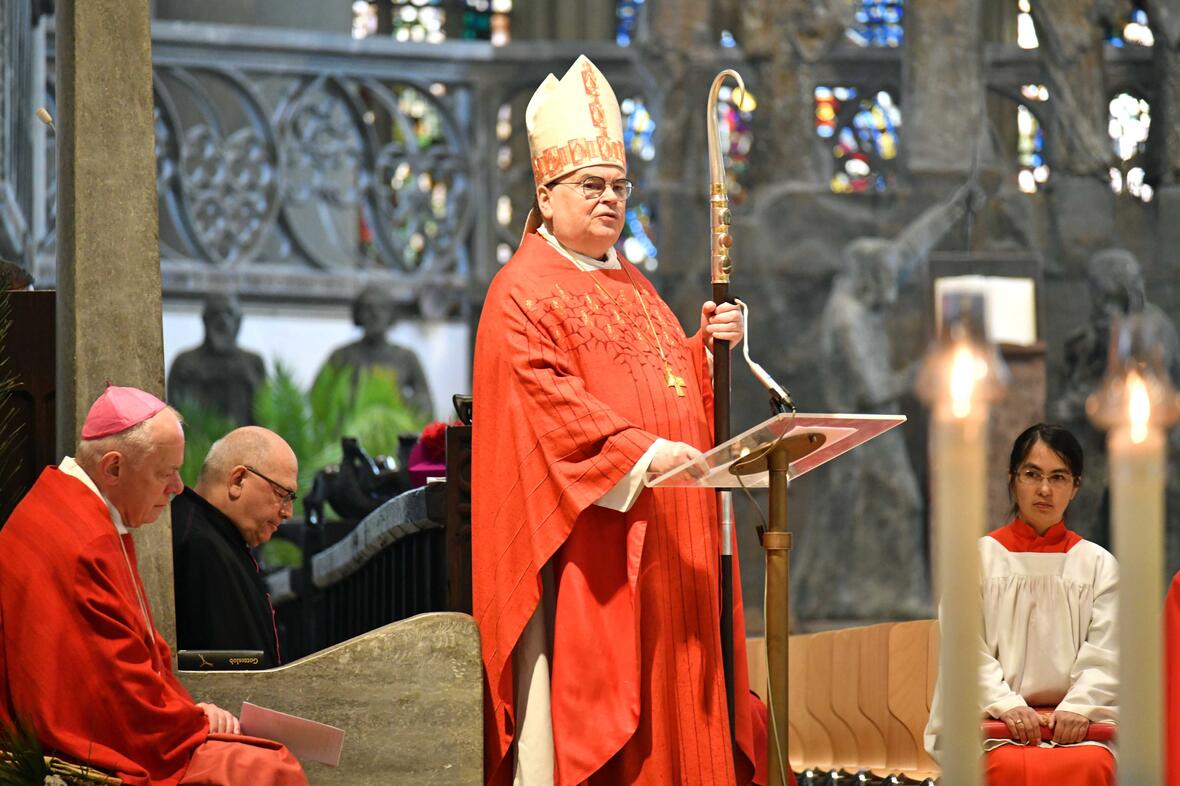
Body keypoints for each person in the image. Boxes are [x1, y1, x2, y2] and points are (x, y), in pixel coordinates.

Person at [472, 55, 757, 786]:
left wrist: (706, 353)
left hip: (679, 540)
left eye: (619, 186)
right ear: (546, 191)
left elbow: (672, 397)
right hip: (602, 553)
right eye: (591, 185)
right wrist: (648, 456)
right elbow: (553, 415)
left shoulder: (635, 284)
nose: (609, 200)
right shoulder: (521, 293)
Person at [0, 385, 307, 786]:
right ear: (113, 468)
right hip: (85, 747)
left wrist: (189, 712)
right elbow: (114, 694)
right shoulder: (83, 542)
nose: (178, 487)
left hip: (120, 723)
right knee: (269, 769)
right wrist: (192, 720)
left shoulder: (71, 506)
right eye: (166, 473)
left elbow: (137, 655)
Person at [925, 423, 1118, 786]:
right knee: (1005, 768)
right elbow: (966, 651)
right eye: (1032, 474)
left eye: (1058, 477)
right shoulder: (976, 560)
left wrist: (1078, 707)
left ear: (1075, 487)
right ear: (1012, 479)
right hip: (995, 726)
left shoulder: (1098, 565)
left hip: (1079, 727)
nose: (1044, 489)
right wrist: (1007, 705)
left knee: (1093, 765)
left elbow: (1110, 653)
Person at [173, 426, 298, 669]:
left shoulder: (222, 538)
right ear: (238, 480)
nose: (288, 513)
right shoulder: (197, 541)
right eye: (282, 494)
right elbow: (198, 664)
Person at [315, 284, 434, 418]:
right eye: (367, 308)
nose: (375, 314)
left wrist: (402, 406)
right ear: (358, 315)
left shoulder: (406, 357)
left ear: (391, 315)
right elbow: (317, 397)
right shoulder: (342, 356)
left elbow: (426, 403)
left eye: (382, 308)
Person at [167, 293, 267, 426]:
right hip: (197, 444)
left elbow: (264, 414)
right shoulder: (185, 363)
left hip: (244, 442)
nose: (223, 321)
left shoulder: (253, 363)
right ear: (205, 320)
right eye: (215, 313)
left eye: (229, 313)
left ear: (239, 321)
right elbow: (174, 417)